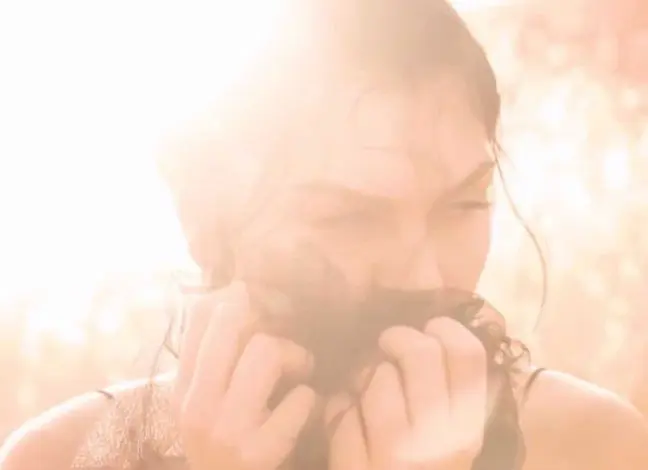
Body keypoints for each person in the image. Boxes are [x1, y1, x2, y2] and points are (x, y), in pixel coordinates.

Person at [1, 0, 647, 469]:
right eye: (349, 218)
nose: (425, 277)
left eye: (462, 205)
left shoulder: (593, 447)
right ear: (206, 225)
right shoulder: (64, 458)